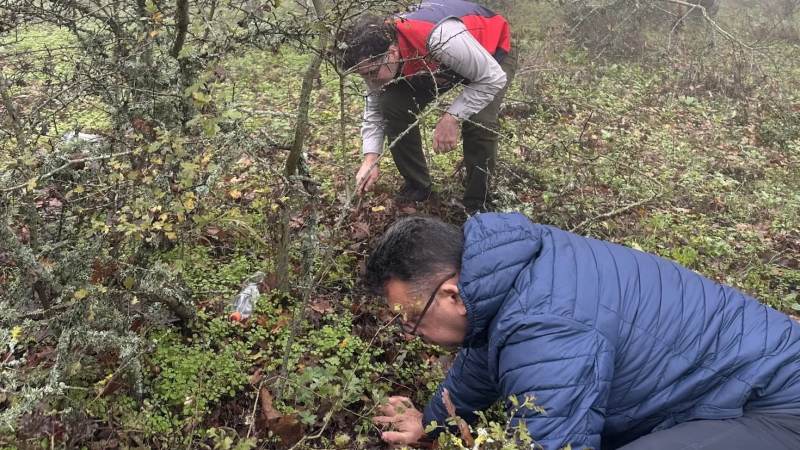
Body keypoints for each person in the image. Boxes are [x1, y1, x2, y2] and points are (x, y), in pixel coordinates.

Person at [364, 213, 800, 449]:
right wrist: (434, 423)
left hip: (777, 407)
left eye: (411, 318)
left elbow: (556, 443)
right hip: (728, 392)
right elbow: (483, 358)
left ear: (452, 295)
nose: (409, 331)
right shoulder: (504, 273)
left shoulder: (545, 325)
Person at [336, 0, 517, 214]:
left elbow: (492, 78)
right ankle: (418, 187)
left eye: (372, 74)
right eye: (363, 75)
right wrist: (370, 158)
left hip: (490, 51)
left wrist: (452, 117)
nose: (370, 81)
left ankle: (478, 204)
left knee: (479, 122)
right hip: (434, 64)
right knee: (390, 103)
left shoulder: (441, 38)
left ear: (392, 53)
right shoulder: (374, 56)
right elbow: (375, 108)